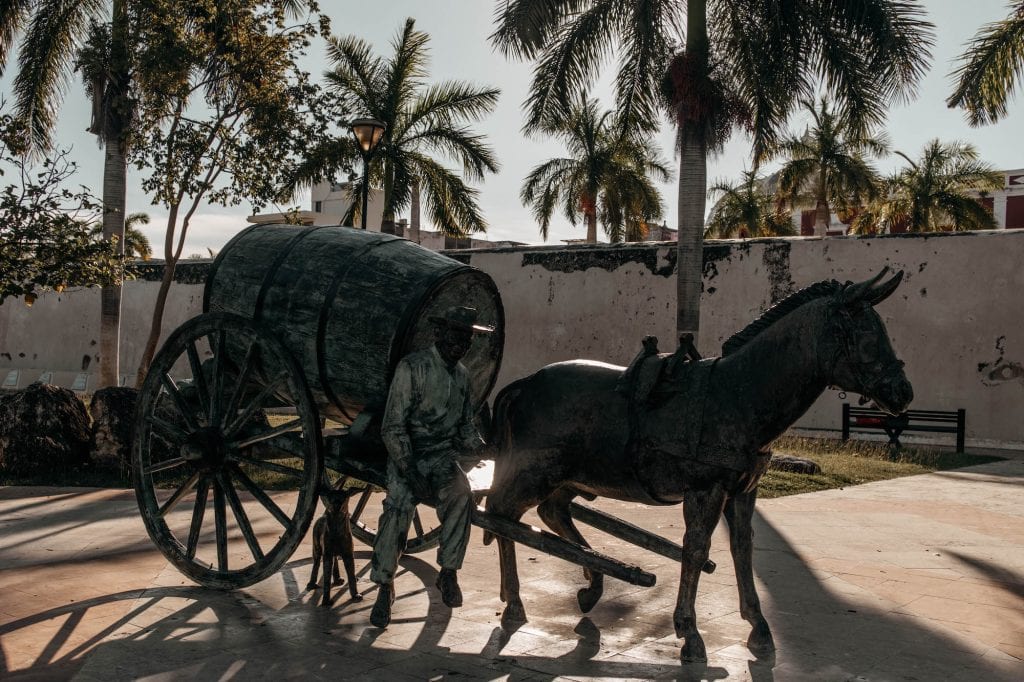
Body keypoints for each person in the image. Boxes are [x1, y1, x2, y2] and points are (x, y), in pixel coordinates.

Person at [369, 305, 493, 628]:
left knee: (460, 494)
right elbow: (392, 427)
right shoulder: (412, 368)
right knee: (398, 506)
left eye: (466, 338)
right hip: (408, 453)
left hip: (441, 456)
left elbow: (465, 426)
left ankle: (448, 572)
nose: (461, 344)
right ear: (439, 334)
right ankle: (384, 586)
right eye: (455, 335)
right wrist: (408, 469)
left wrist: (483, 449)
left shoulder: (463, 376)